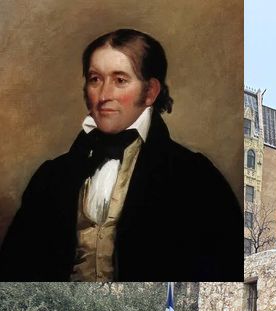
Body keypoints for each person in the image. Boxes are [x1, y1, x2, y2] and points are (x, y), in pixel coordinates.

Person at [0, 28, 241, 281]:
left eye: (120, 80)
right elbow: (14, 269)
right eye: (95, 79)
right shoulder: (51, 177)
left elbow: (220, 266)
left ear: (150, 91)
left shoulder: (194, 177)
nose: (104, 95)